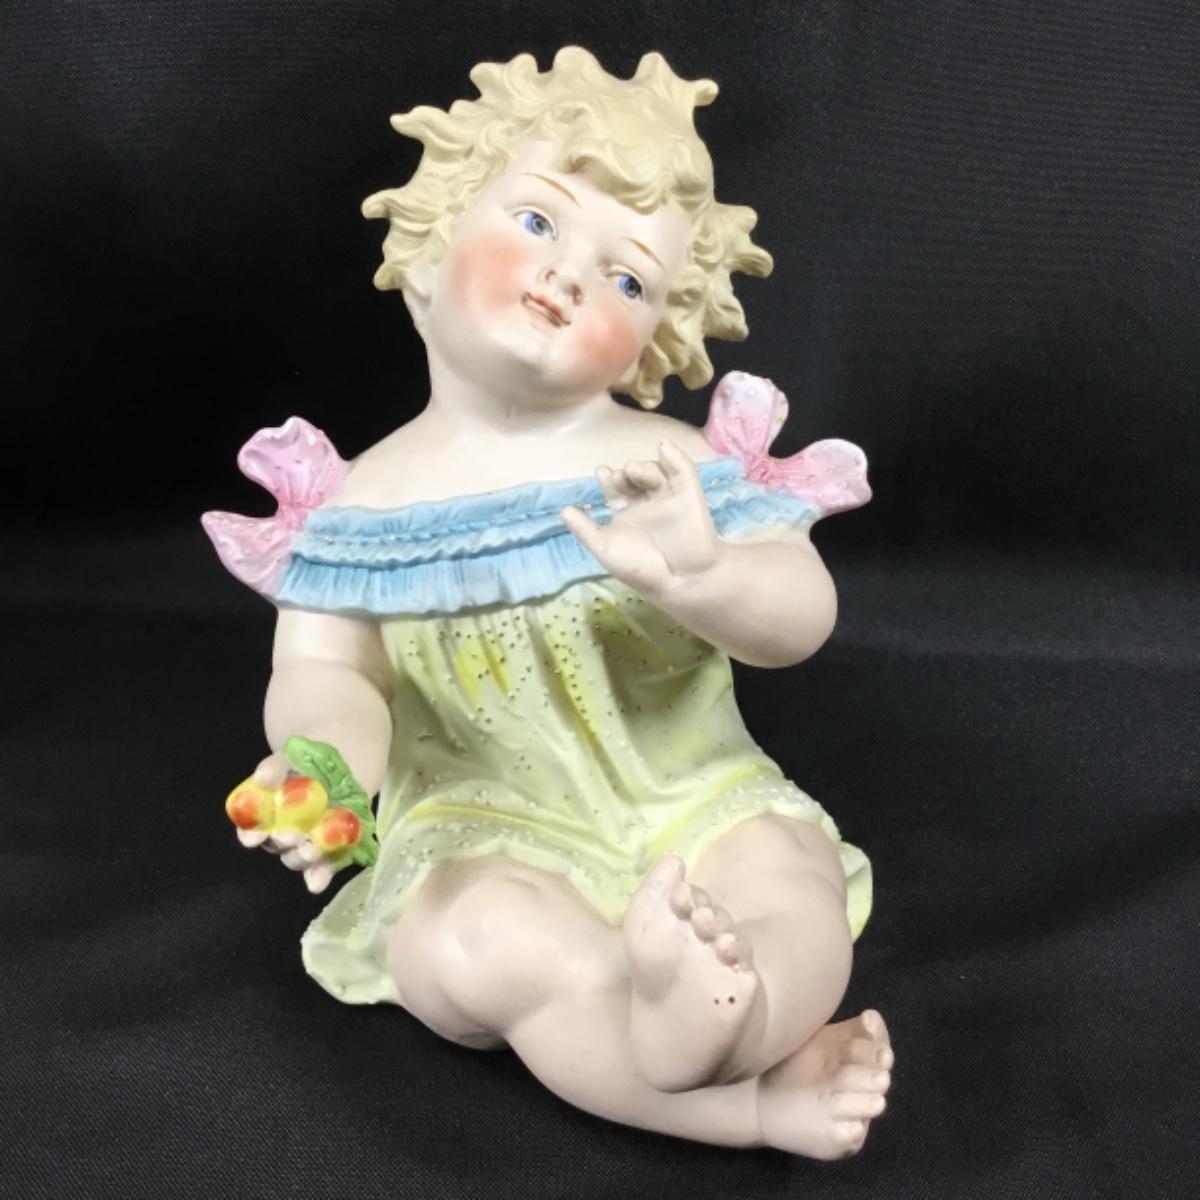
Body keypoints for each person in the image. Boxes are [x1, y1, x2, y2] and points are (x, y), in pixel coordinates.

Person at [203, 46, 891, 1159]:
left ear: (660, 330)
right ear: (433, 236)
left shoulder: (671, 470)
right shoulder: (357, 513)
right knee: (474, 944)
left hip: (690, 797)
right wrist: (325, 770)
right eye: (536, 222)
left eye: (628, 280)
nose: (570, 277)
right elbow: (328, 671)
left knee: (788, 879)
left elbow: (799, 619)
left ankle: (734, 1014)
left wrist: (706, 576)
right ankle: (749, 1101)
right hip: (482, 829)